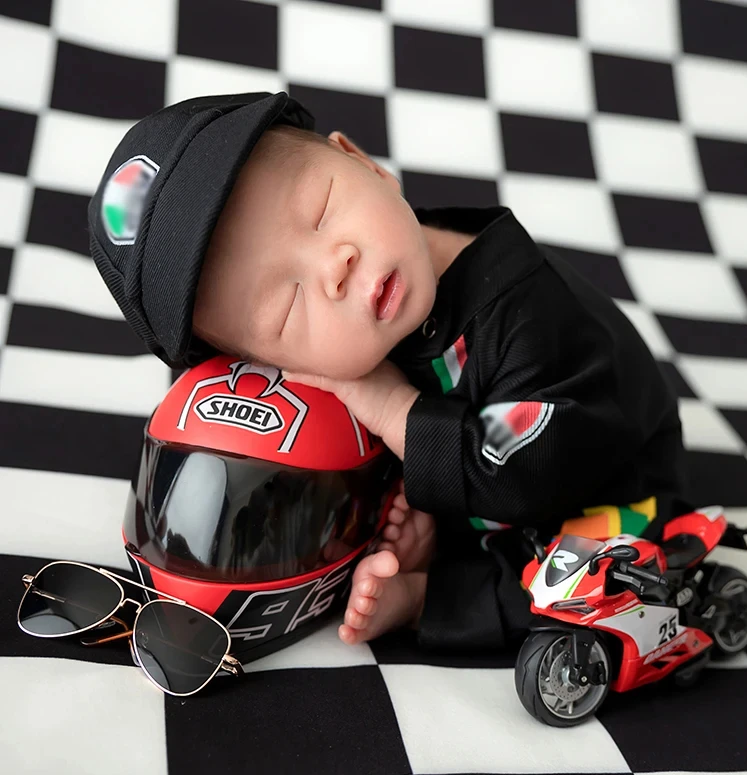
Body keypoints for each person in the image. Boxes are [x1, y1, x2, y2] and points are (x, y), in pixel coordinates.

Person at [87, 91, 688, 653]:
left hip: (604, 481)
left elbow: (525, 465)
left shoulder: (526, 321)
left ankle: (431, 596)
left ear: (368, 166)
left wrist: (395, 409)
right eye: (287, 306)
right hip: (481, 480)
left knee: (578, 582)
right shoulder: (370, 317)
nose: (334, 266)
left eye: (320, 209)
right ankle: (429, 544)